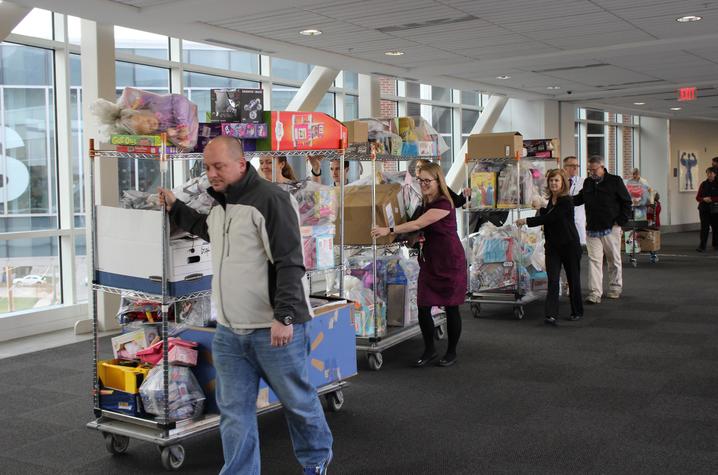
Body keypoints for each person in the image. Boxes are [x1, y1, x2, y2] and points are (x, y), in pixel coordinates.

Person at [157, 136, 332, 475]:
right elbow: (206, 229)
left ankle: (316, 461)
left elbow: (290, 262)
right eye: (207, 167)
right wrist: (176, 206)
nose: (211, 173)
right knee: (234, 413)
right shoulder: (221, 204)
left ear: (241, 163)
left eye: (218, 166)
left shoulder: (271, 200)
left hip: (273, 330)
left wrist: (284, 316)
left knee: (298, 403)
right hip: (229, 332)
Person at [371, 162, 467, 367]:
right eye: (420, 180)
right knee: (424, 305)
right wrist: (412, 238)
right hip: (431, 260)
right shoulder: (426, 202)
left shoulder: (443, 203)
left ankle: (451, 352)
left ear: (438, 181)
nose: (423, 184)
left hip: (450, 261)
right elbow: (420, 229)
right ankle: (429, 349)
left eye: (427, 181)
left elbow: (418, 224)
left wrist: (388, 230)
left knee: (451, 308)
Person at [516, 169, 583, 325]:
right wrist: (538, 207)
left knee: (573, 279)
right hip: (553, 246)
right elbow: (544, 214)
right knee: (552, 280)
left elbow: (551, 218)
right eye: (551, 180)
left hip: (570, 246)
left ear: (563, 183)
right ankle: (551, 314)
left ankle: (577, 311)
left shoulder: (566, 200)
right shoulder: (549, 200)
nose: (553, 183)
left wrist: (526, 220)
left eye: (557, 180)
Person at [572, 155, 632, 304]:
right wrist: (562, 200)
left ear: (602, 167)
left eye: (594, 170)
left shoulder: (615, 181)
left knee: (613, 259)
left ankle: (615, 287)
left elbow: (626, 202)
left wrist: (620, 222)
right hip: (592, 228)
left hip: (611, 227)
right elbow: (579, 199)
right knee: (594, 261)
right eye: (589, 170)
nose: (592, 173)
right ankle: (594, 293)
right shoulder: (588, 183)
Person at [563, 156, 586, 245]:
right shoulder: (559, 181)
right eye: (572, 165)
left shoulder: (583, 182)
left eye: (577, 165)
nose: (575, 168)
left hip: (578, 220)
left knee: (580, 248)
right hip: (563, 220)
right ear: (565, 167)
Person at [696, 167, 718, 252]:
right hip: (703, 209)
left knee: (716, 227)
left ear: (715, 174)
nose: (709, 175)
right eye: (708, 173)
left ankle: (716, 244)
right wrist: (703, 199)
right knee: (704, 228)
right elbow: (697, 197)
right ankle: (702, 246)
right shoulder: (703, 184)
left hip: (715, 209)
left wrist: (712, 199)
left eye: (711, 173)